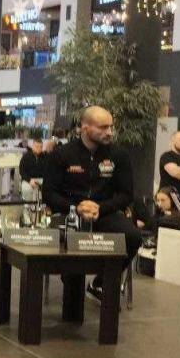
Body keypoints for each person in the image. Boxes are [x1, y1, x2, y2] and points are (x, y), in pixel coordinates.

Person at [42, 106, 142, 301]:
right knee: (71, 265)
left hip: (104, 213)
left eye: (111, 127)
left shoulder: (119, 155)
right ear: (85, 127)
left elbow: (126, 194)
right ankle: (72, 292)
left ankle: (100, 283)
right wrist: (75, 207)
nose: (109, 132)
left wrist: (100, 208)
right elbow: (49, 193)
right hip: (69, 214)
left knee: (133, 237)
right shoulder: (61, 154)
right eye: (103, 127)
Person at [19, 138, 47, 202]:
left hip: (41, 179)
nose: (39, 149)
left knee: (50, 188)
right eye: (37, 146)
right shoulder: (26, 157)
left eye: (41, 147)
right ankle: (28, 206)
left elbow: (48, 170)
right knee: (27, 189)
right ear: (33, 146)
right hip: (28, 179)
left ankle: (44, 205)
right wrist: (29, 180)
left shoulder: (45, 157)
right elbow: (22, 171)